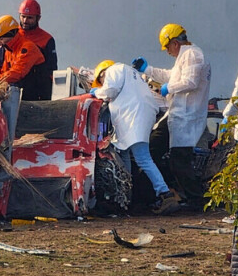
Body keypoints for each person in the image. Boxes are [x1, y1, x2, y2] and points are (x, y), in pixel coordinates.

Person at [131, 23, 210, 210]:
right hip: (178, 114)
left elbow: (189, 82)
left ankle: (196, 201)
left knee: (178, 160)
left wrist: (168, 89)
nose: (167, 52)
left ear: (175, 43)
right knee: (157, 151)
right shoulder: (187, 56)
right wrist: (148, 69)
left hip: (186, 115)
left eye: (167, 47)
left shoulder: (192, 54)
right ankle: (151, 195)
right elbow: (172, 75)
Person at [90, 60, 177, 214]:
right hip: (141, 115)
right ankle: (126, 196)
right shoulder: (132, 74)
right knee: (123, 154)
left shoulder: (114, 70)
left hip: (134, 117)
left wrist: (96, 93)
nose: (102, 83)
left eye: (101, 81)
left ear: (103, 73)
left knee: (142, 158)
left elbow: (110, 91)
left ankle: (165, 194)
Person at [0, 15, 47, 101]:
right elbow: (1, 69)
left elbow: (17, 72)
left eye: (1, 38)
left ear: (11, 34)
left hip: (35, 97)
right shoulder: (7, 49)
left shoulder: (28, 48)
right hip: (20, 94)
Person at [18, 0, 57, 100]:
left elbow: (51, 70)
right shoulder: (12, 35)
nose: (25, 21)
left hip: (36, 91)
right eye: (23, 17)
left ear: (38, 18)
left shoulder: (47, 39)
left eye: (30, 18)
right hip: (14, 87)